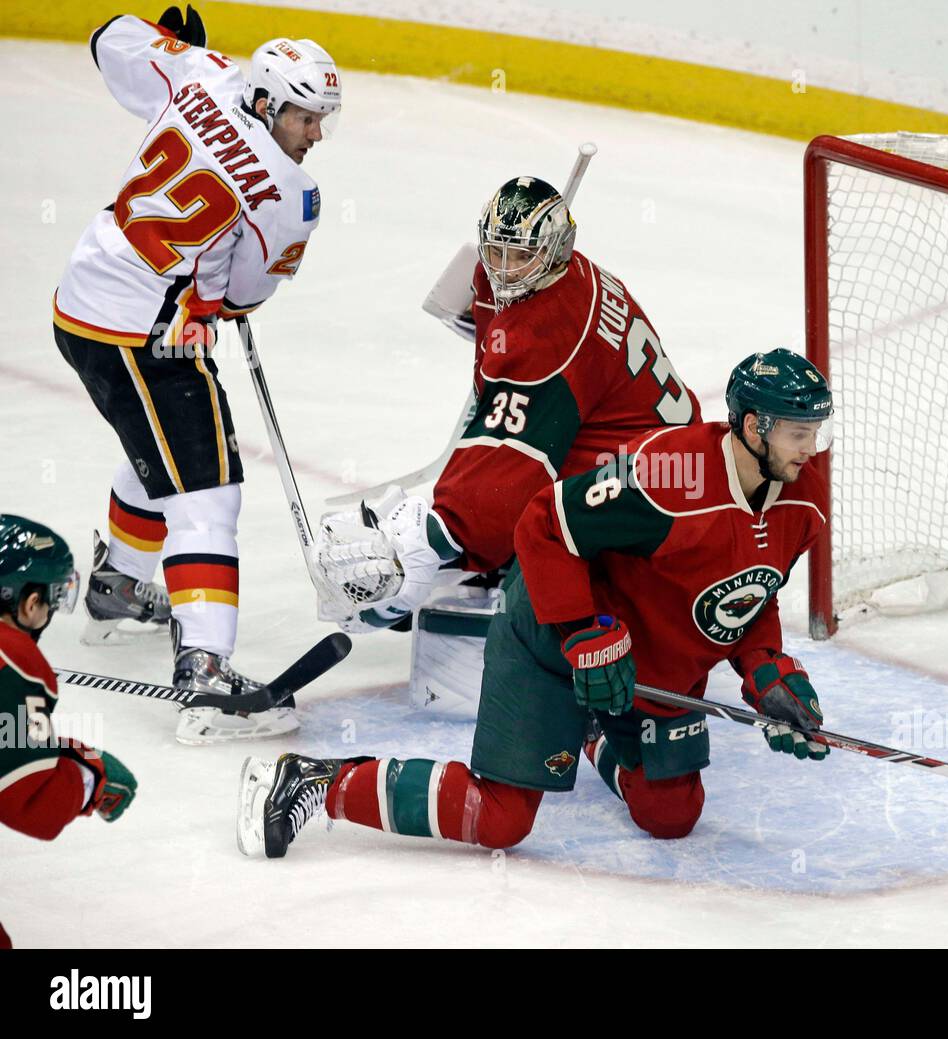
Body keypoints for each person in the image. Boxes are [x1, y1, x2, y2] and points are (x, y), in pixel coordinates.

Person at [239, 349, 832, 858]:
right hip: (555, 636)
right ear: (754, 427)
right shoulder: (664, 474)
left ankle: (594, 729)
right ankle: (316, 781)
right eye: (799, 432)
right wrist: (581, 632)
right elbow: (544, 522)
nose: (812, 448)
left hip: (649, 669)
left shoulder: (803, 500)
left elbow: (752, 591)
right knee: (500, 820)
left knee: (671, 816)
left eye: (816, 431)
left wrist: (766, 669)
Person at [52, 6, 342, 743]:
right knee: (208, 490)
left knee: (163, 449)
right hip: (148, 333)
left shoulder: (204, 77)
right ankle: (205, 674)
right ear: (270, 103)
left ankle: (117, 586)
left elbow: (109, 38)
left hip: (83, 301)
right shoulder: (292, 196)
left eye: (323, 121)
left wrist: (181, 48)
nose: (316, 136)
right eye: (306, 118)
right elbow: (243, 295)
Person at [312, 175, 701, 718]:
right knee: (474, 528)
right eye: (496, 249)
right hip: (662, 465)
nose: (503, 268)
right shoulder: (554, 278)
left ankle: (568, 632)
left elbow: (501, 492)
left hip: (653, 513)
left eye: (519, 255)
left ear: (556, 247)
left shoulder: (551, 336)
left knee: (483, 537)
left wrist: (424, 546)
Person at [0, 517, 137, 946]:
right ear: (29, 602)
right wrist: (87, 777)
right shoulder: (18, 661)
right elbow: (29, 803)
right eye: (52, 600)